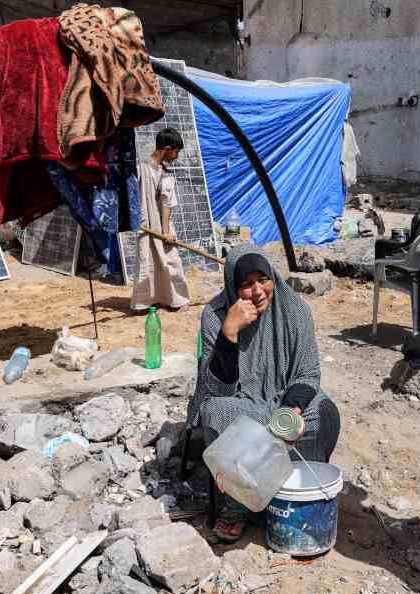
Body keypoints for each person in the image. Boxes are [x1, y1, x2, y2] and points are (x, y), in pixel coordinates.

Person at [188, 245, 341, 542]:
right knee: (218, 413)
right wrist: (229, 334)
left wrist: (290, 411)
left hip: (282, 404)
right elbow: (215, 390)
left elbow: (308, 373)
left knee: (324, 412)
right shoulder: (215, 315)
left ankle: (290, 491)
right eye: (246, 284)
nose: (258, 291)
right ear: (233, 286)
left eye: (264, 279)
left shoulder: (294, 309)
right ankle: (238, 506)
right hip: (241, 405)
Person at [131, 127, 190, 312]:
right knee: (150, 263)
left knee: (168, 261)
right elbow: (164, 204)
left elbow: (166, 206)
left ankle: (173, 300)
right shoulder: (144, 169)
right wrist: (165, 232)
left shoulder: (158, 172)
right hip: (147, 226)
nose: (176, 156)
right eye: (176, 151)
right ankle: (144, 303)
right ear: (166, 148)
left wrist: (165, 232)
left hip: (157, 227)